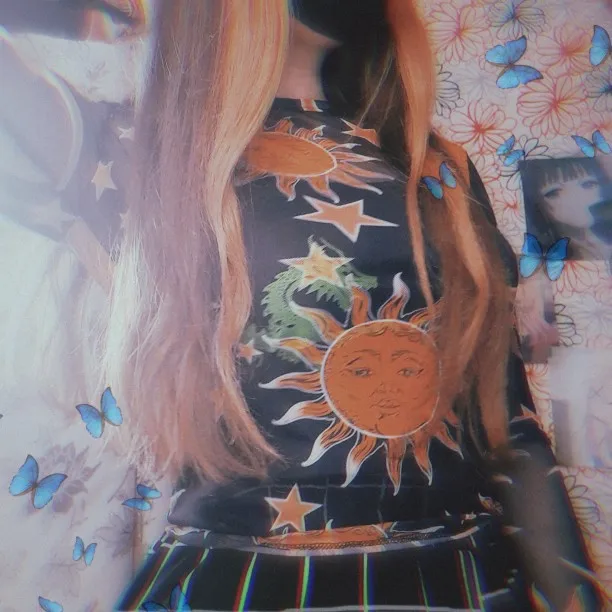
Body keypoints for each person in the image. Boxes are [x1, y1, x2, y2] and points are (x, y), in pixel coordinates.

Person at [0, 1, 603, 610]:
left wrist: (578, 595)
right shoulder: (141, 149)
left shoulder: (437, 163)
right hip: (245, 581)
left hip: (460, 576)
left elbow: (507, 421)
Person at [520, 157, 612, 265]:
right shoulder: (547, 258)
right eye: (554, 192)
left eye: (588, 184)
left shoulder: (604, 241)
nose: (577, 197)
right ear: (538, 205)